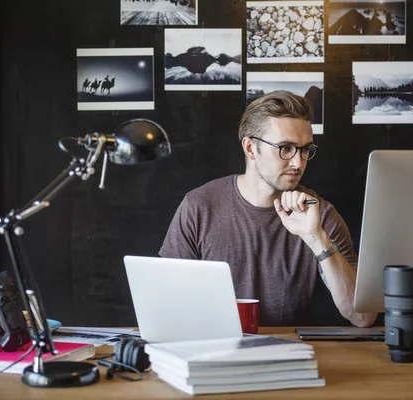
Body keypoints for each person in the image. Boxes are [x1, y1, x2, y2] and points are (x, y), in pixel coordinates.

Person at [159, 90, 377, 327]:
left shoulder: (320, 215)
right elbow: (165, 304)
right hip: (214, 350)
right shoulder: (199, 207)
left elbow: (363, 316)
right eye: (285, 148)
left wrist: (316, 238)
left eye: (305, 150)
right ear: (251, 148)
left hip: (289, 353)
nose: (298, 162)